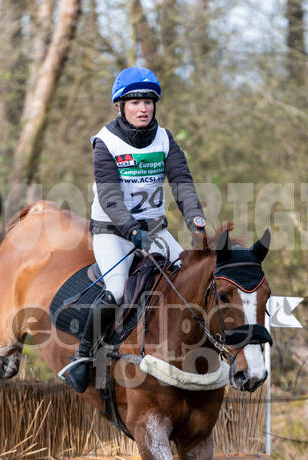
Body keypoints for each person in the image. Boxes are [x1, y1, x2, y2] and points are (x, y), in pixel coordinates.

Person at [66, 66, 206, 393]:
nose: (143, 108)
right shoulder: (106, 142)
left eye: (148, 101)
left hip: (155, 230)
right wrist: (130, 230)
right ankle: (83, 356)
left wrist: (197, 221)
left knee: (189, 279)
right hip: (113, 232)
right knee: (116, 290)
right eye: (134, 102)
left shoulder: (164, 139)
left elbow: (182, 183)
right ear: (120, 107)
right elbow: (111, 197)